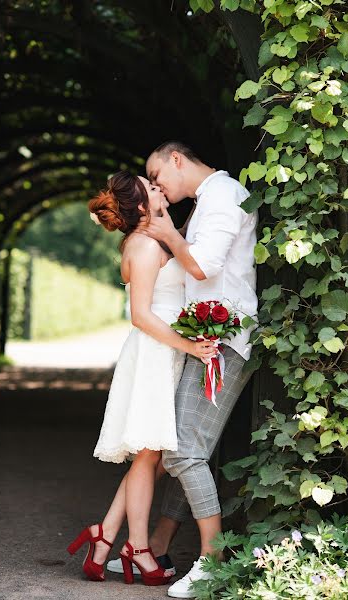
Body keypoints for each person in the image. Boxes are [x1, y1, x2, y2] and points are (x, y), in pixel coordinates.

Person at [112, 140, 258, 599]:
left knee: (184, 452)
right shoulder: (208, 201)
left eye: (157, 178)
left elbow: (205, 266)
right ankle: (157, 545)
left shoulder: (223, 197)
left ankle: (212, 563)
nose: (158, 189)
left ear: (177, 159)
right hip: (206, 340)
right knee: (184, 447)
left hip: (223, 342)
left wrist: (165, 231)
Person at [67, 171, 216, 587]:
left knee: (148, 457)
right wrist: (191, 347)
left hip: (160, 351)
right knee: (149, 456)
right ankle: (137, 547)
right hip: (155, 354)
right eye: (150, 188)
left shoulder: (150, 240)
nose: (159, 188)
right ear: (141, 206)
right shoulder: (146, 248)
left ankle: (106, 537)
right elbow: (141, 314)